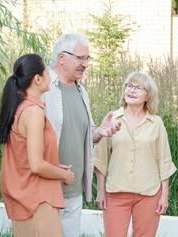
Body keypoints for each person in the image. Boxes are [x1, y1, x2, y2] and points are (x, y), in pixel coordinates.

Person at [42, 33, 121, 237]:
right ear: (61, 58)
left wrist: (99, 133)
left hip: (73, 189)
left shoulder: (81, 91)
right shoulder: (43, 89)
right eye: (80, 58)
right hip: (45, 190)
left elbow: (86, 136)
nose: (85, 64)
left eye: (87, 58)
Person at [0, 54, 75, 237]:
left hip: (24, 195)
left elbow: (24, 156)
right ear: (37, 79)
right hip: (38, 199)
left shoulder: (20, 107)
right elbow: (36, 165)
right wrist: (64, 175)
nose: (51, 76)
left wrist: (54, 167)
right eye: (47, 72)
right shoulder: (33, 112)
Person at [94, 72, 177, 237]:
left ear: (148, 95)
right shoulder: (112, 118)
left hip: (149, 194)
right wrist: (100, 191)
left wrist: (164, 196)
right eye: (129, 86)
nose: (131, 90)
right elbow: (101, 158)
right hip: (115, 192)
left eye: (138, 88)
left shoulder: (156, 123)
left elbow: (164, 161)